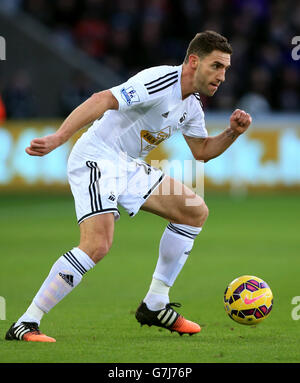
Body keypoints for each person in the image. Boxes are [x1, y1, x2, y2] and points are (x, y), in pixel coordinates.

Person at [5, 30, 252, 342]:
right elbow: (103, 99)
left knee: (193, 210)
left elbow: (202, 151)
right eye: (217, 66)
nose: (223, 76)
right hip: (97, 157)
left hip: (128, 165)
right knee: (97, 246)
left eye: (226, 68)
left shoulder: (191, 105)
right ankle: (26, 322)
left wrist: (232, 133)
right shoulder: (161, 81)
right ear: (193, 61)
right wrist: (59, 137)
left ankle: (155, 303)